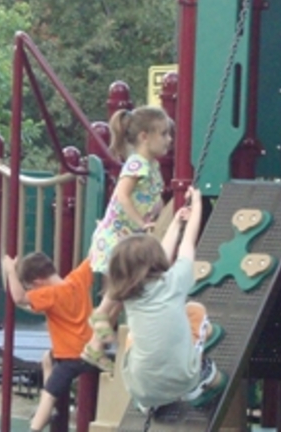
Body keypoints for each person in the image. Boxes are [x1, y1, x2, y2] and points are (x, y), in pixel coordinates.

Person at [106, 187, 226, 411]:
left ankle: (147, 402)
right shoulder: (174, 282)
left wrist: (175, 223)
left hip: (139, 387)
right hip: (182, 380)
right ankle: (201, 381)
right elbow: (187, 244)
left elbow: (161, 251)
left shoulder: (129, 295)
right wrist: (197, 204)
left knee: (134, 336)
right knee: (195, 310)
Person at [82, 105, 172, 369]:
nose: (169, 140)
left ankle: (94, 348)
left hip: (125, 237)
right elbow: (122, 195)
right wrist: (142, 223)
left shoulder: (152, 166)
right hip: (116, 236)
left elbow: (150, 199)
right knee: (118, 292)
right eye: (164, 134)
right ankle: (98, 317)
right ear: (144, 136)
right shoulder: (136, 163)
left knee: (123, 294)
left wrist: (159, 213)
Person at [1, 252, 98, 432]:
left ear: (38, 283)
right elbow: (94, 256)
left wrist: (10, 271)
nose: (33, 292)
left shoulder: (51, 294)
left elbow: (19, 298)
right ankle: (50, 410)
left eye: (32, 288)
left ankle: (35, 426)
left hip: (72, 357)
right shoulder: (77, 279)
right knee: (47, 358)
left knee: (48, 395)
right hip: (90, 350)